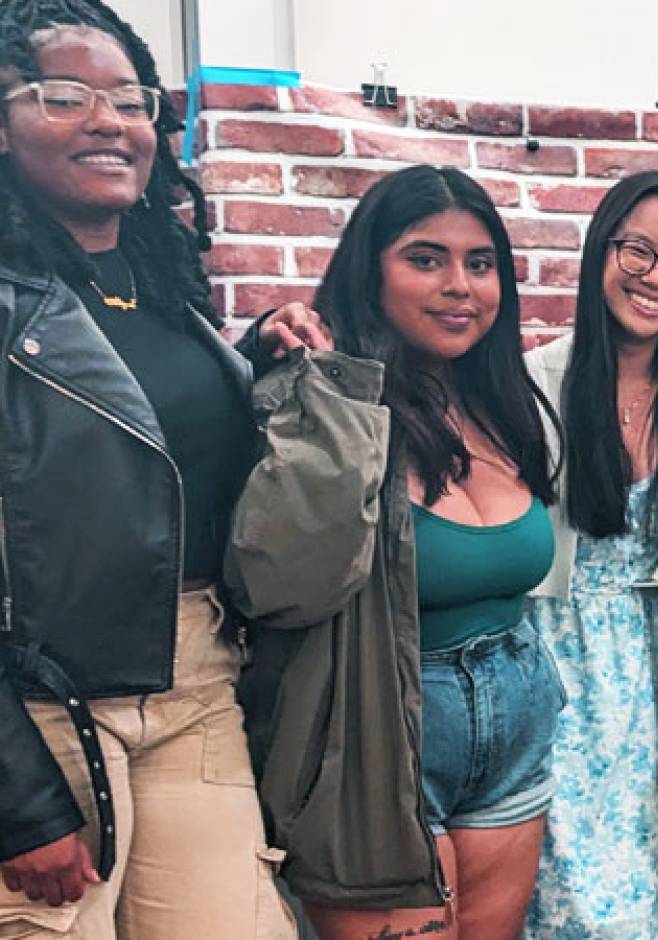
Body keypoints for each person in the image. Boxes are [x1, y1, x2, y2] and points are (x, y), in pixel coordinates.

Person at [0, 2, 322, 936]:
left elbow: (140, 444)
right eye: (64, 96)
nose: (108, 121)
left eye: (130, 100)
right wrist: (18, 798)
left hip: (194, 678)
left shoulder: (162, 288)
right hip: (45, 704)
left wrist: (251, 361)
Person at [226, 165, 564, 940]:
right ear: (369, 268)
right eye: (425, 258)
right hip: (376, 734)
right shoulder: (319, 393)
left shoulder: (500, 400)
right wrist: (324, 389)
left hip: (513, 722)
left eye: (481, 264)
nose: (460, 286)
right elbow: (283, 582)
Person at [522, 170, 658, 939]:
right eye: (639, 251)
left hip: (640, 673)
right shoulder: (534, 382)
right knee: (555, 897)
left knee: (633, 898)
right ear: (600, 251)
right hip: (541, 659)